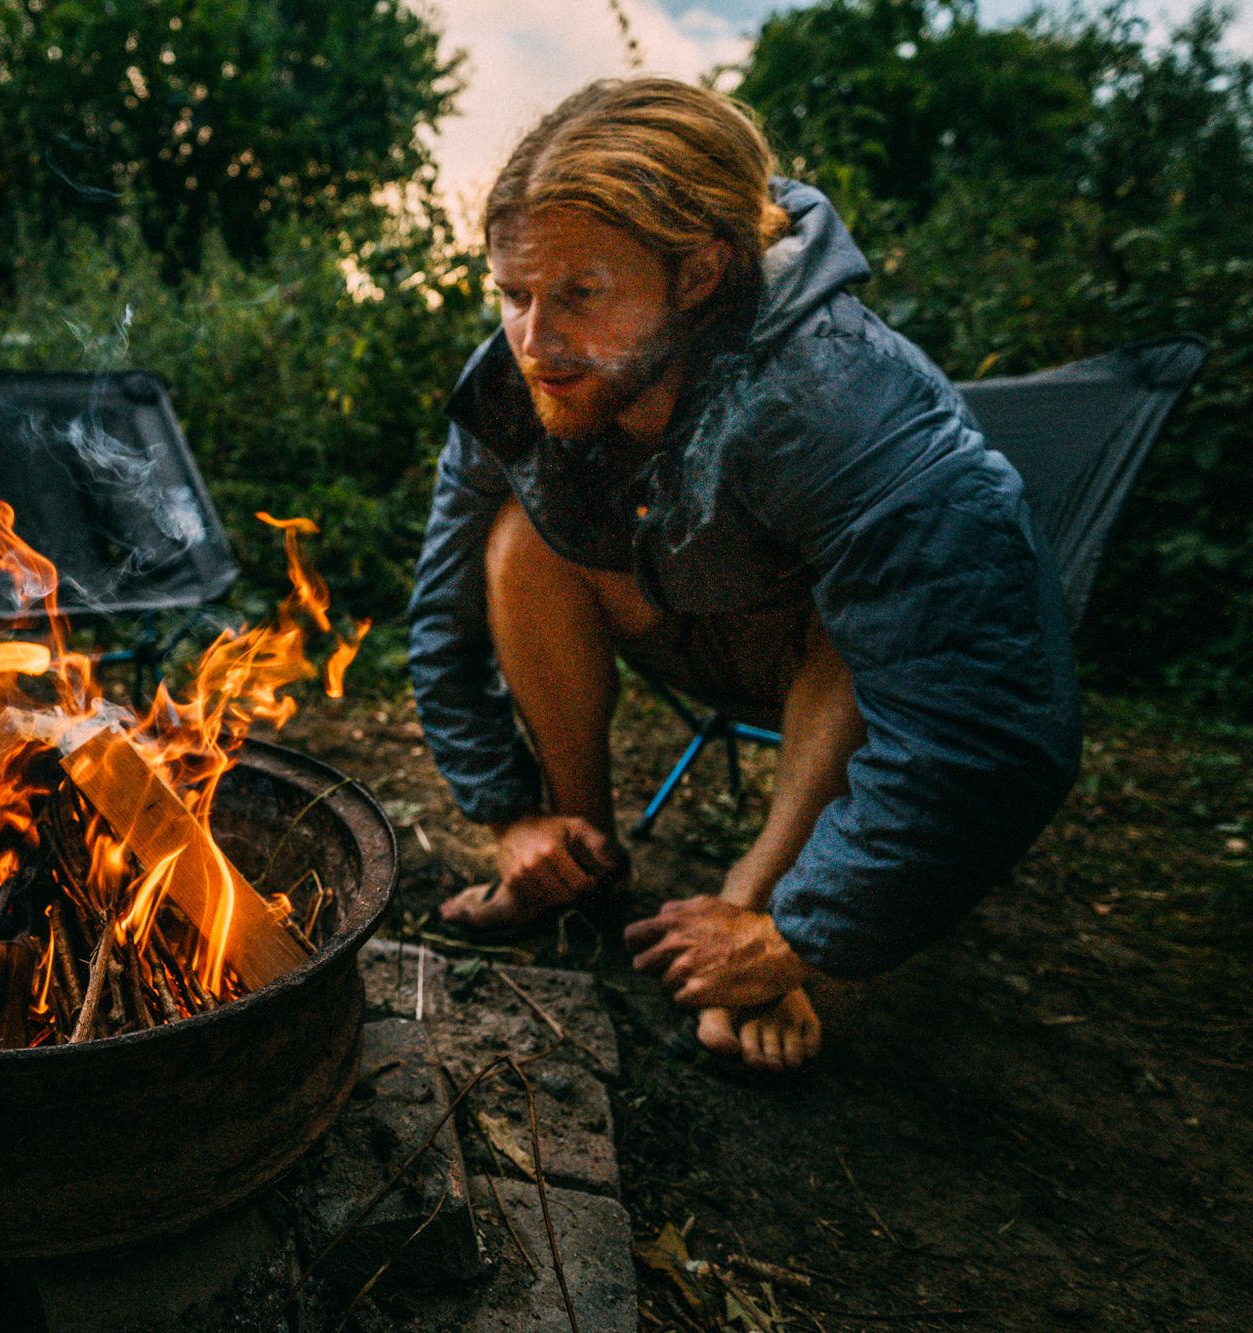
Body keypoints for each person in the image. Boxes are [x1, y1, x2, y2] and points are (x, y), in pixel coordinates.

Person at [407, 78, 1081, 1072]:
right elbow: (443, 604)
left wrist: (807, 933)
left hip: (814, 660)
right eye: (513, 296)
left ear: (697, 272)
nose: (534, 342)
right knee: (516, 537)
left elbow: (983, 712)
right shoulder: (516, 379)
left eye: (578, 294)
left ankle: (754, 906)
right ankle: (574, 853)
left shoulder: (841, 396)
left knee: (857, 621)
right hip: (668, 613)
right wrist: (508, 811)